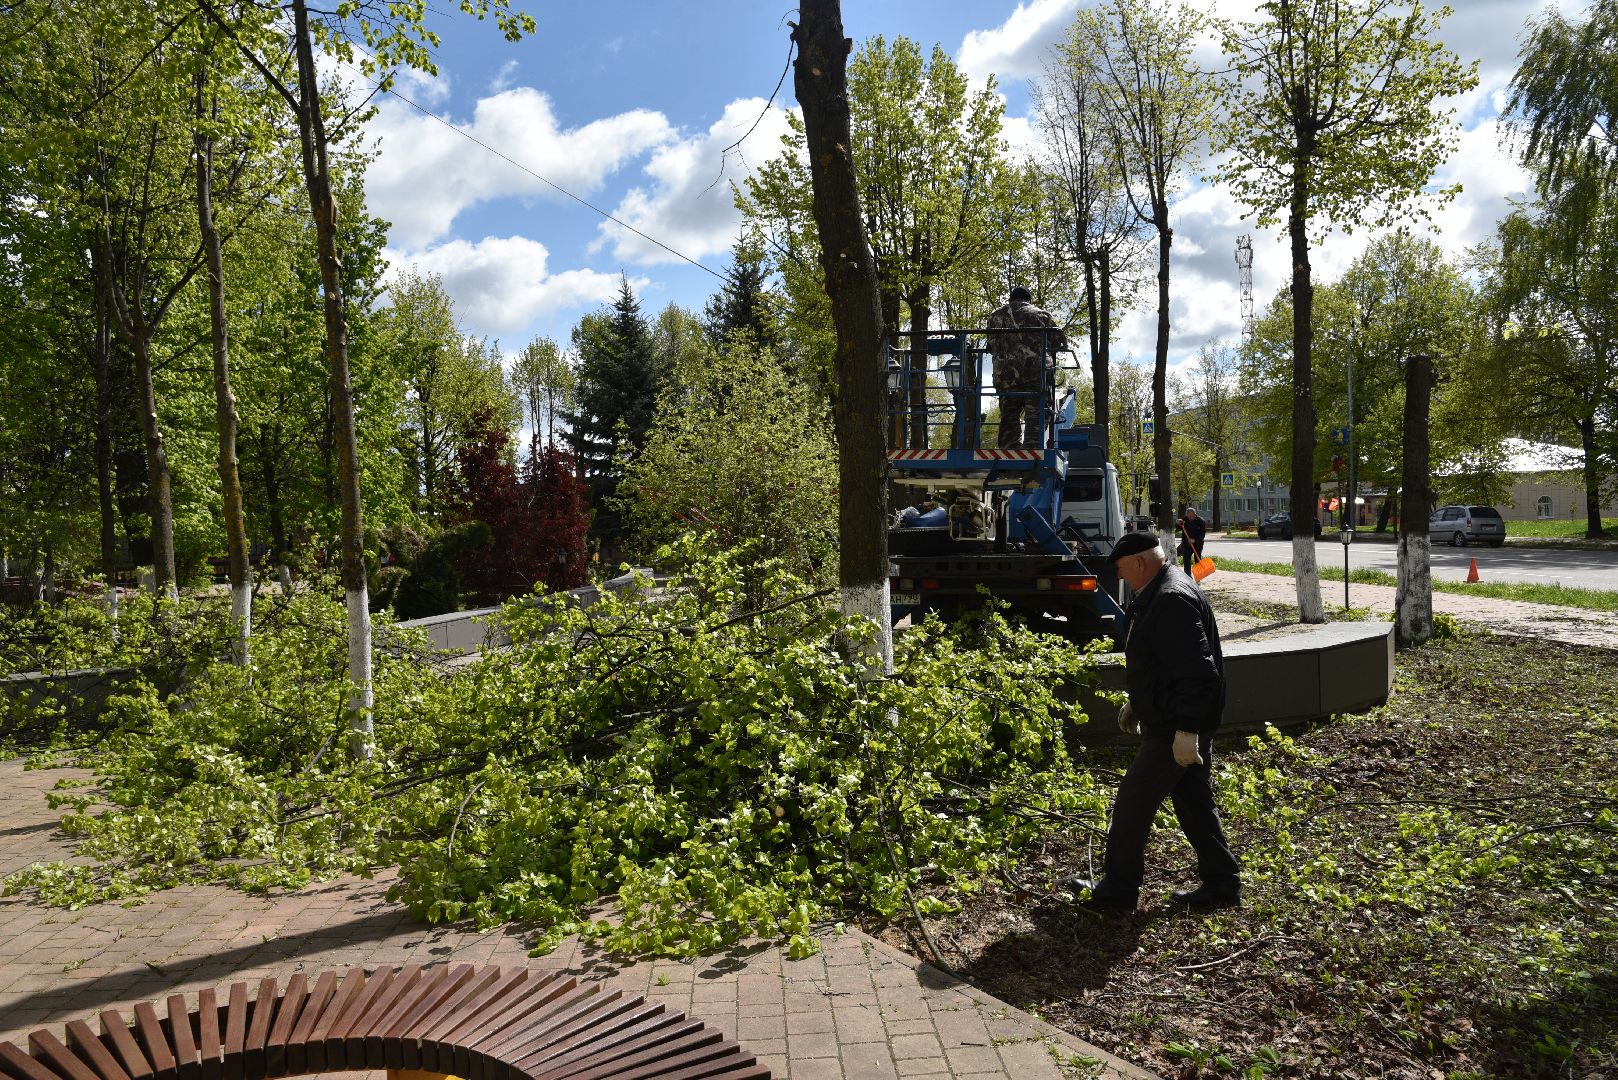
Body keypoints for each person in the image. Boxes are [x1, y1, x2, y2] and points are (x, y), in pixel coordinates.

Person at [1068, 531, 1241, 912]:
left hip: (1175, 727)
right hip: (1175, 719)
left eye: (1124, 569)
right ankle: (1223, 882)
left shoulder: (1171, 599)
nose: (1122, 577)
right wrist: (1138, 701)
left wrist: (1186, 732)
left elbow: (1199, 674)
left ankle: (1118, 891)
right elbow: (1161, 662)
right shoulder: (1162, 591)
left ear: (1142, 563)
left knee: (1132, 804)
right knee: (1194, 801)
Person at [986, 286, 1067, 450]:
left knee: (1009, 415)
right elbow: (1059, 341)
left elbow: (990, 344)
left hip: (1006, 378)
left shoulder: (994, 317)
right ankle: (1032, 449)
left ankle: (1009, 448)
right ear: (1028, 300)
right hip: (1035, 376)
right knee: (1036, 414)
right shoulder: (1041, 315)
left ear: (1011, 299)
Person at [1177, 506, 1207, 574]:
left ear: (1195, 514)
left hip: (1198, 543)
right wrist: (1178, 523)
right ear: (1187, 515)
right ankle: (1188, 575)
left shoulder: (1201, 521)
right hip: (1187, 543)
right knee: (1186, 558)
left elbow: (1202, 534)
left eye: (1191, 516)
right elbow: (1178, 528)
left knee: (1197, 559)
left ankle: (1198, 575)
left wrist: (1194, 540)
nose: (1190, 518)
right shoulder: (1184, 520)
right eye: (1188, 516)